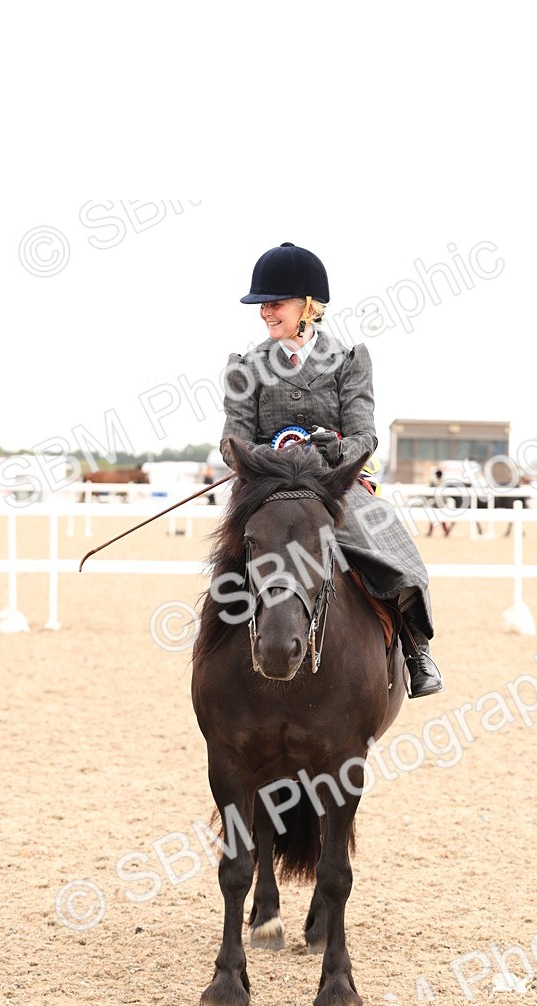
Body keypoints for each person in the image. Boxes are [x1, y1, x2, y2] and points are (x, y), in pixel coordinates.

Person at [219, 242, 443, 699]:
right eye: (262, 305)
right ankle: (213, 653)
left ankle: (415, 649)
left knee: (402, 561)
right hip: (269, 489)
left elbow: (366, 436)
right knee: (226, 569)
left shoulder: (348, 361)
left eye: (274, 304)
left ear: (308, 306)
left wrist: (335, 448)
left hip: (337, 486)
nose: (265, 313)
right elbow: (232, 442)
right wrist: (272, 461)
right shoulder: (246, 368)